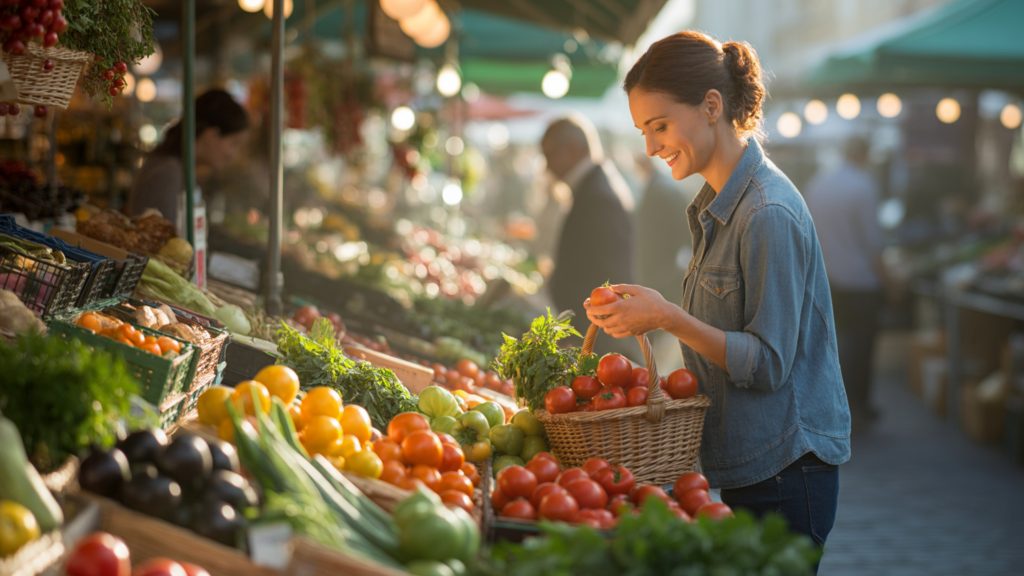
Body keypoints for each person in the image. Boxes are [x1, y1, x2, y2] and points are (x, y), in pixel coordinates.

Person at [584, 30, 851, 556]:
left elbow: (769, 362)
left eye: (659, 126)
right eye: (643, 130)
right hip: (753, 462)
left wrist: (666, 316)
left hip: (784, 471)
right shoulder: (719, 205)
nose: (651, 147)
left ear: (711, 106)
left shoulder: (766, 213)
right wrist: (654, 306)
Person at [805, 136, 888, 426]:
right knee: (862, 346)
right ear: (864, 155)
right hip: (860, 279)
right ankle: (859, 405)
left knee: (829, 345)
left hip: (826, 279)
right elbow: (872, 240)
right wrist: (887, 277)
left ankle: (829, 403)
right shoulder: (863, 186)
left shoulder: (819, 183)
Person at [541, 115, 636, 341]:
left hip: (596, 333)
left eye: (550, 155)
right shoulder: (594, 186)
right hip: (591, 326)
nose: (547, 166)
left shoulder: (598, 195)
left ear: (573, 149)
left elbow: (607, 275)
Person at [127, 88, 250, 234]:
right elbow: (164, 243)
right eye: (233, 143)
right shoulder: (167, 173)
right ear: (211, 135)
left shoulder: (178, 169)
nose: (233, 155)